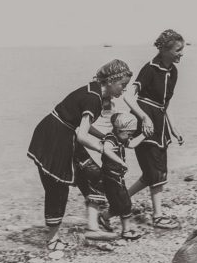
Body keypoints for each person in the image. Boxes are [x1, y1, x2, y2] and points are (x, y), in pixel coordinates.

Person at [27, 59, 133, 251]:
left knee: (93, 174)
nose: (123, 90)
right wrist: (104, 148)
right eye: (122, 85)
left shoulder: (93, 90)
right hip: (54, 138)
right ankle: (52, 240)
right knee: (57, 187)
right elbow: (82, 135)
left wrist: (102, 136)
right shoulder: (94, 99)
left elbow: (81, 124)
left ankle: (93, 227)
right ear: (110, 81)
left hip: (62, 133)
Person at [127, 29, 186, 230]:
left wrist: (173, 128)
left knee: (153, 173)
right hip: (145, 122)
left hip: (159, 123)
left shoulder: (174, 72)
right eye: (178, 50)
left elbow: (164, 105)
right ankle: (158, 216)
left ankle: (115, 206)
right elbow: (128, 97)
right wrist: (143, 117)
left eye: (182, 49)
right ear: (164, 50)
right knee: (154, 171)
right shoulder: (150, 69)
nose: (181, 54)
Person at [99, 112, 143, 240]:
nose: (130, 137)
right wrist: (121, 162)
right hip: (110, 177)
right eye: (129, 134)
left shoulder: (120, 138)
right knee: (125, 202)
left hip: (117, 177)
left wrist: (145, 134)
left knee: (118, 204)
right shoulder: (111, 138)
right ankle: (126, 231)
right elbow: (106, 150)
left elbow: (132, 144)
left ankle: (103, 217)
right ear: (119, 130)